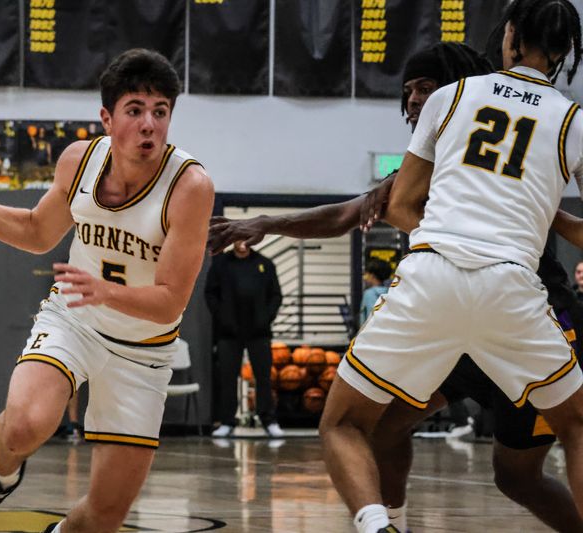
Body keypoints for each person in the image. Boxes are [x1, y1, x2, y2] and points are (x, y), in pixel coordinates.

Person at [208, 38, 583, 533]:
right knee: (380, 426)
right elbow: (347, 213)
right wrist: (265, 224)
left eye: (424, 88)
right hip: (455, 322)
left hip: (523, 317)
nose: (411, 100)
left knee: (517, 477)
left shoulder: (484, 142)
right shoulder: (427, 159)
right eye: (406, 90)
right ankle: (394, 522)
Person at [318, 1, 583, 531]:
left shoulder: (451, 95)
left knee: (344, 423)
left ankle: (377, 523)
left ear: (509, 35)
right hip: (512, 287)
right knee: (577, 427)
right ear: (564, 53)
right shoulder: (572, 121)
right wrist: (542, 215)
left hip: (431, 276)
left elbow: (398, 206)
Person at [0, 48, 214, 533]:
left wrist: (107, 292)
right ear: (107, 118)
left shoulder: (190, 186)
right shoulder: (78, 160)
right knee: (23, 426)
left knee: (103, 517)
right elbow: (35, 232)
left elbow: (171, 299)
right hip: (75, 320)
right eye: (135, 110)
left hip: (144, 350)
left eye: (161, 111)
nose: (149, 124)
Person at [205, 240, 283, 437]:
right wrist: (222, 317)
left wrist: (266, 317)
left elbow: (276, 295)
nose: (242, 243)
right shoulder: (221, 263)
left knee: (263, 377)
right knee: (228, 378)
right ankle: (227, 422)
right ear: (233, 241)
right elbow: (210, 294)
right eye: (238, 238)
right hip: (229, 332)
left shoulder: (265, 264)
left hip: (259, 332)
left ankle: (268, 420)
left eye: (246, 238)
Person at [359, 259, 392, 325]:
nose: (364, 277)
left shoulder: (369, 294)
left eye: (366, 274)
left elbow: (371, 318)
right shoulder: (390, 292)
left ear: (372, 275)